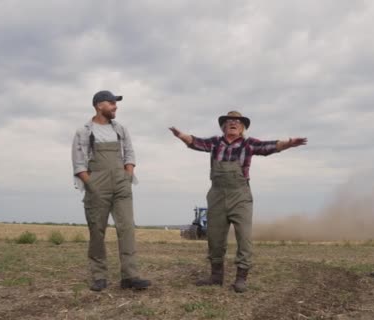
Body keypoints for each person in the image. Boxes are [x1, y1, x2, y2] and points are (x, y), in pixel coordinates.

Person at [169, 111, 307, 292]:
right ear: (224, 127)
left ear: (242, 128)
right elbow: (195, 141)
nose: (233, 123)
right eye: (229, 121)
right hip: (217, 195)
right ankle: (216, 277)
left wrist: (288, 144)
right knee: (215, 237)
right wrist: (180, 135)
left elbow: (269, 146)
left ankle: (241, 278)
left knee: (244, 237)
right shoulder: (215, 143)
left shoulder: (249, 144)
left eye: (237, 122)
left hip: (240, 196)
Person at [71, 90, 151, 291]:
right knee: (97, 231)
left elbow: (130, 154)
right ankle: (99, 276)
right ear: (99, 105)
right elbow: (79, 164)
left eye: (116, 103)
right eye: (112, 102)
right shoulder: (84, 132)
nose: (116, 106)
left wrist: (127, 174)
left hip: (121, 183)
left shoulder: (120, 129)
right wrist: (92, 185)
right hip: (97, 185)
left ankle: (130, 277)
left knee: (127, 230)